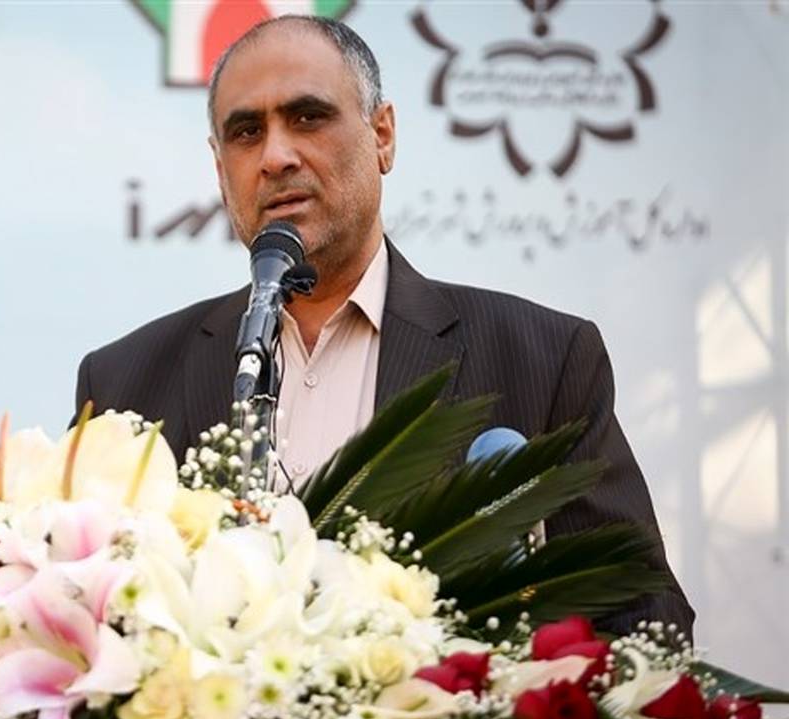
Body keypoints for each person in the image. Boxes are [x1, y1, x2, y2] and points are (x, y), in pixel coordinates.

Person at [74, 15, 693, 637]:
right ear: (219, 167)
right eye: (246, 132)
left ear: (383, 136)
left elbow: (644, 616)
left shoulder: (541, 360)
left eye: (308, 117)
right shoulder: (126, 383)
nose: (276, 156)